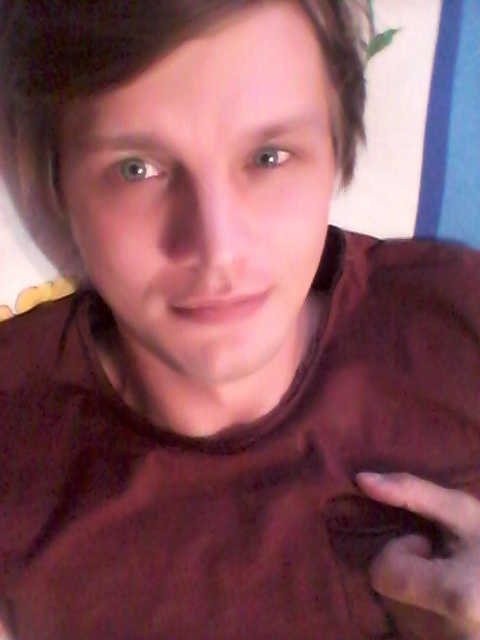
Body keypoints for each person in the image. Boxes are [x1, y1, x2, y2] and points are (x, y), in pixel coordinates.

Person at [0, 1, 479, 638]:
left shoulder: (461, 321)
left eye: (270, 157)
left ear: (335, 153)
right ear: (55, 184)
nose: (217, 249)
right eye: (136, 169)